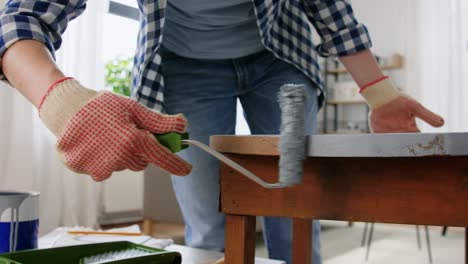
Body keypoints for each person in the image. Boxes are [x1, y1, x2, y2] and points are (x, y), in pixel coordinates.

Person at [0, 1, 444, 263]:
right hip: (182, 67)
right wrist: (59, 98)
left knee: (293, 215)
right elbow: (20, 16)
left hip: (280, 60)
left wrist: (380, 93)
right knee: (209, 222)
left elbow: (328, 8)